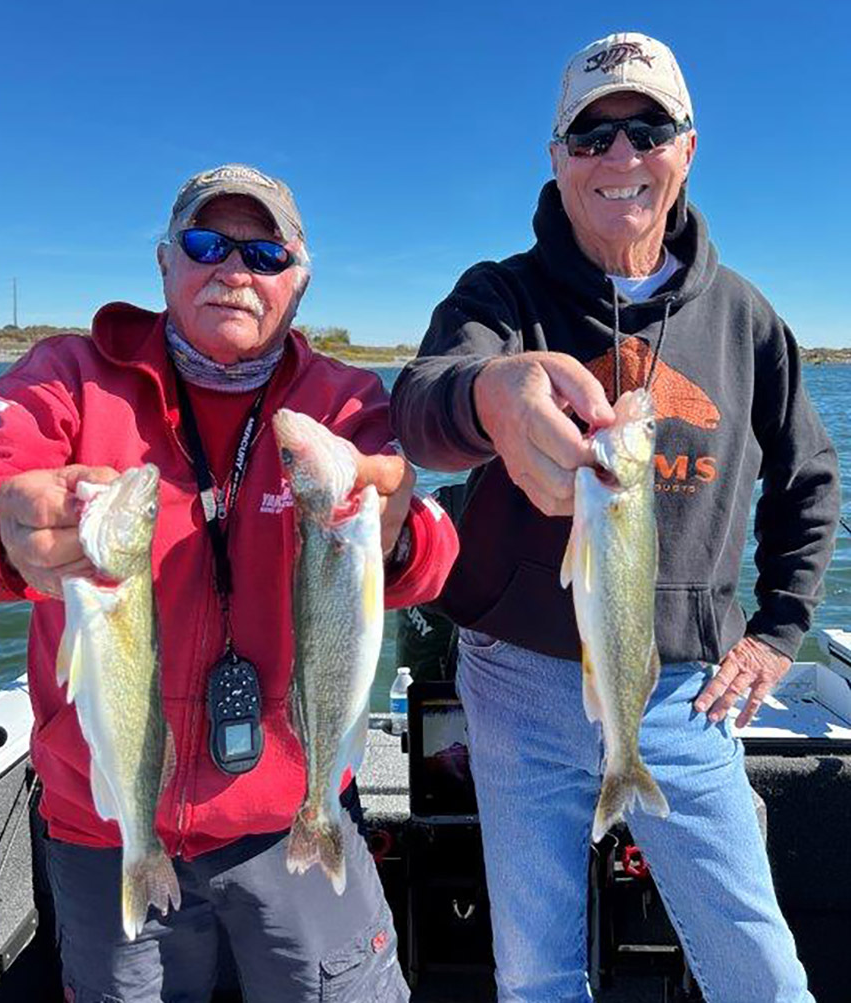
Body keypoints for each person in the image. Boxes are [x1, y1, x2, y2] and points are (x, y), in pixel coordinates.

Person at [391, 32, 840, 1003]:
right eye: (591, 136)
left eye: (648, 129)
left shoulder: (748, 319)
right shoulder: (498, 295)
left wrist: (774, 634)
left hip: (686, 691)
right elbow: (420, 405)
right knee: (536, 966)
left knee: (758, 963)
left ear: (687, 146)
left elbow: (809, 477)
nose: (622, 156)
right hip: (516, 685)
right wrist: (492, 398)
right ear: (556, 158)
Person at [0, 163, 459, 1003]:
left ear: (298, 283)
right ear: (163, 264)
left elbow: (432, 551)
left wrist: (400, 526)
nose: (234, 269)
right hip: (104, 824)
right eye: (206, 243)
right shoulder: (67, 376)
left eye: (264, 254)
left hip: (289, 810)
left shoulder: (343, 400)